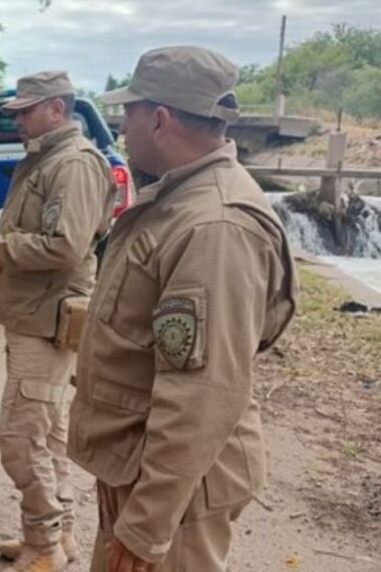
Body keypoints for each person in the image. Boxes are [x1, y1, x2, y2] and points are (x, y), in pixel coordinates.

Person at [69, 46, 297, 572]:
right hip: (144, 469)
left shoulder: (214, 226)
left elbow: (202, 391)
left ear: (160, 118)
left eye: (128, 112)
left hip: (176, 494)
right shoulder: (178, 199)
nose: (121, 126)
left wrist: (149, 523)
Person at [0, 70, 115, 572]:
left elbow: (65, 247)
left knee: (21, 436)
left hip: (47, 319)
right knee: (47, 431)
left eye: (26, 110)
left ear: (57, 108)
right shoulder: (47, 159)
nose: (17, 120)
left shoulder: (74, 165)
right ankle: (54, 536)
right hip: (34, 316)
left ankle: (43, 545)